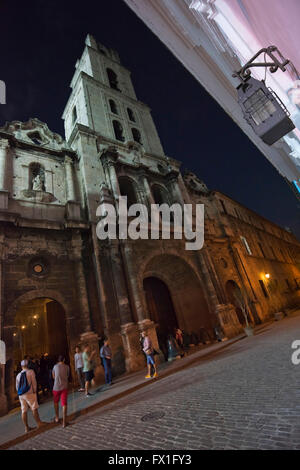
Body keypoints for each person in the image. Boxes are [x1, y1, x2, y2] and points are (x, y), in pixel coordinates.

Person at [16, 359, 46, 433]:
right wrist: (35, 391)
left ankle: (26, 427)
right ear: (27, 365)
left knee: (23, 410)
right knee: (34, 408)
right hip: (30, 393)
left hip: (21, 395)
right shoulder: (30, 372)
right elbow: (34, 382)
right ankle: (39, 423)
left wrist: (20, 393)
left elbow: (17, 386)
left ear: (21, 366)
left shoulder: (18, 375)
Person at [52, 355, 70, 428]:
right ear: (64, 360)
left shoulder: (55, 367)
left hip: (56, 387)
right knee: (64, 404)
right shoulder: (67, 367)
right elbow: (67, 375)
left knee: (56, 402)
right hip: (64, 387)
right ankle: (64, 422)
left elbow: (53, 376)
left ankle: (56, 417)